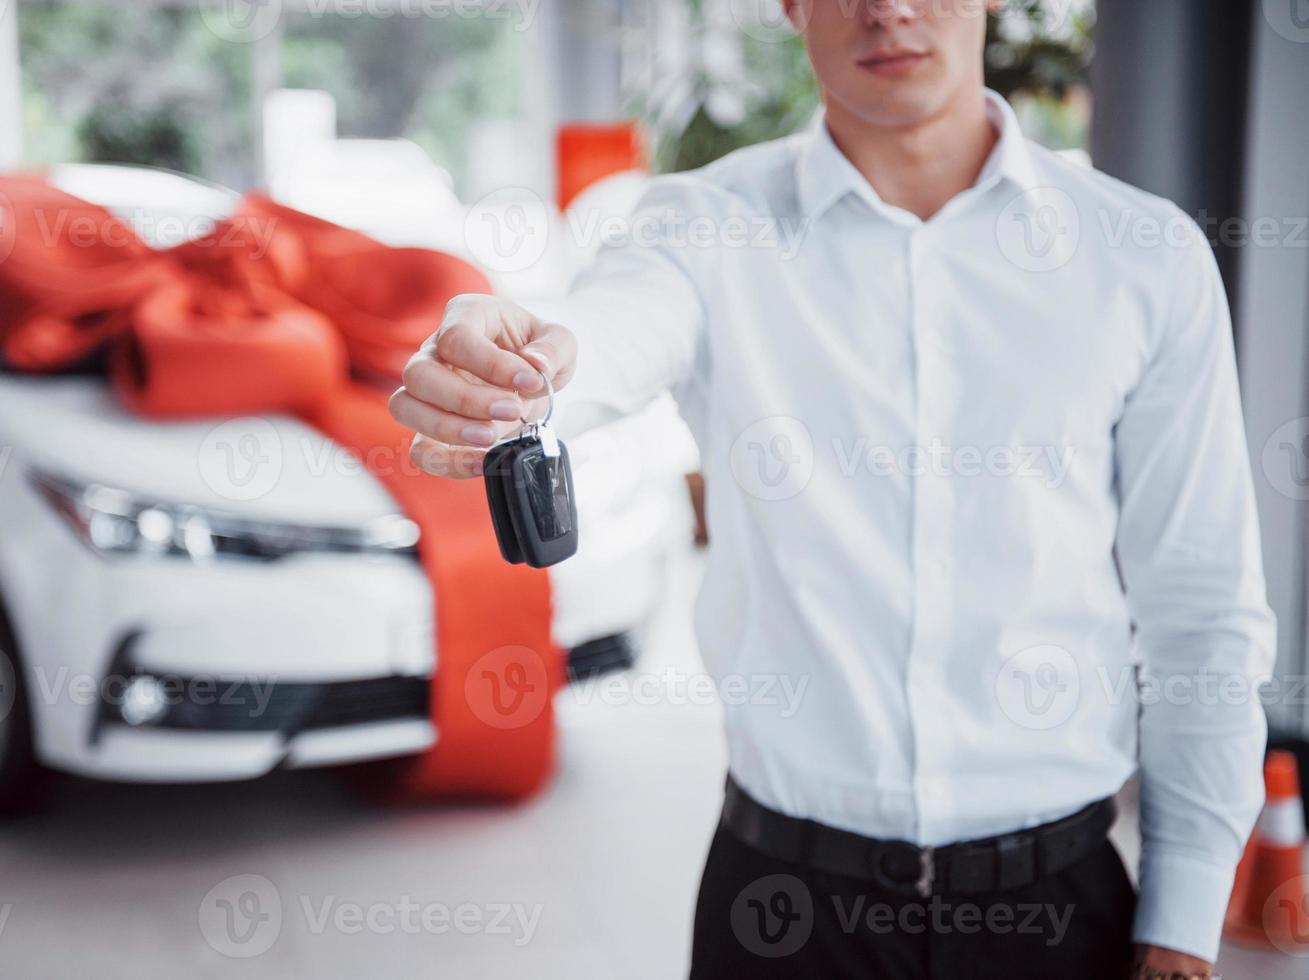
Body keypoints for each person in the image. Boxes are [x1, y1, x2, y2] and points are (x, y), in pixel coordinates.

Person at [388, 1, 1275, 977]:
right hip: (784, 909)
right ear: (790, 6)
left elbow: (1199, 604)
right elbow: (608, 330)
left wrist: (1183, 921)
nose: (887, 8)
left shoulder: (1140, 256)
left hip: (1060, 909)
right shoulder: (705, 225)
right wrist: (517, 360)